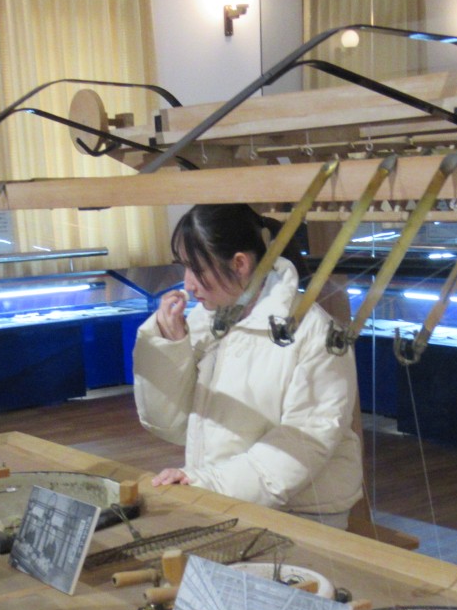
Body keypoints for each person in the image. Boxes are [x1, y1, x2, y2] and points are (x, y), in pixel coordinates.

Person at [131, 204, 362, 526]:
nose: (188, 285)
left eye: (196, 269)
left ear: (240, 264)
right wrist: (169, 347)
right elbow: (168, 424)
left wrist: (210, 484)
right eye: (183, 267)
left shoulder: (315, 333)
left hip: (304, 512)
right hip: (228, 499)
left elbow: (305, 441)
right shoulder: (206, 320)